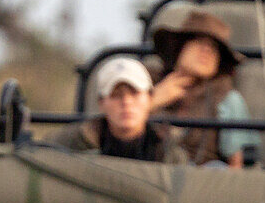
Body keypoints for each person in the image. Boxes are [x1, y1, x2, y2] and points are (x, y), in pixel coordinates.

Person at [149, 10, 261, 168]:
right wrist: (152, 100)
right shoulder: (144, 82)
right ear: (179, 48)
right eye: (199, 42)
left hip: (200, 183)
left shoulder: (227, 98)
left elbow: (236, 167)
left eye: (214, 48)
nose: (206, 51)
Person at [50, 56, 187, 163]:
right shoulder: (68, 144)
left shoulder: (171, 155)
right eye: (116, 95)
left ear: (150, 98)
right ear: (101, 103)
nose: (126, 102)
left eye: (134, 93)